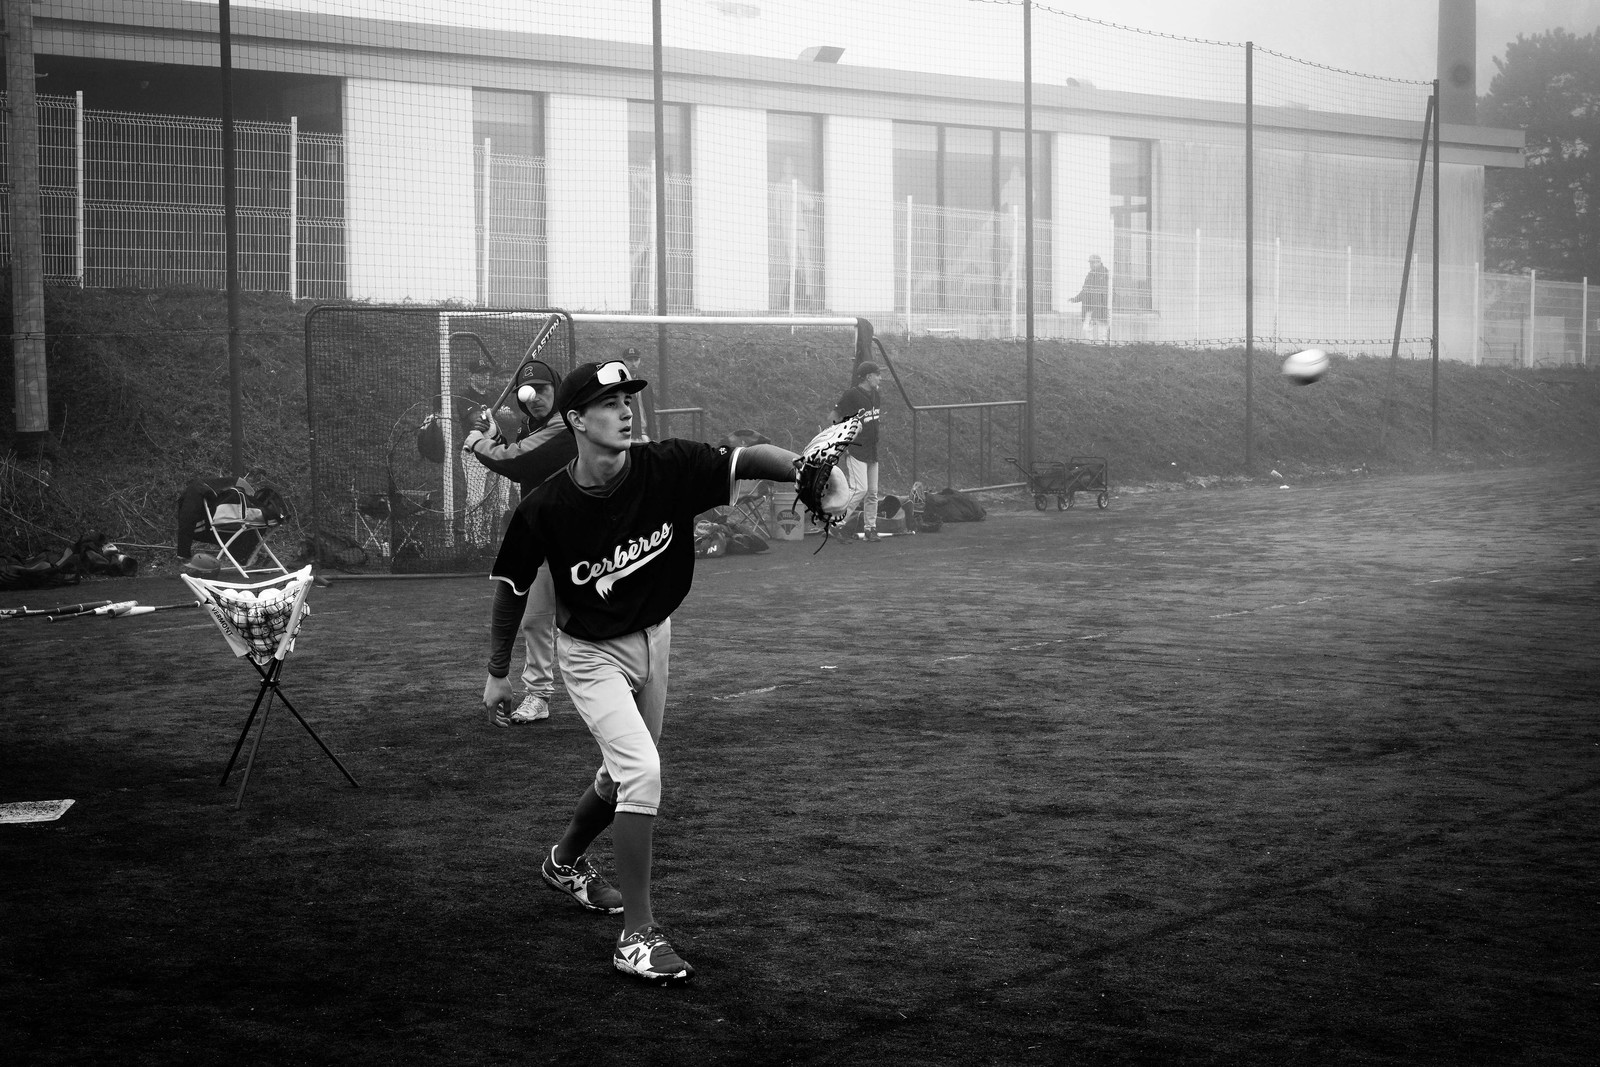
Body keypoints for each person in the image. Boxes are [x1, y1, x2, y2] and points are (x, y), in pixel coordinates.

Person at [480, 358, 847, 984]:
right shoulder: (547, 506)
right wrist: (497, 670)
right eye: (609, 402)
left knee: (619, 772)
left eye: (629, 399)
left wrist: (815, 471)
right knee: (643, 772)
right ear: (575, 420)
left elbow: (747, 457)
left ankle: (564, 861)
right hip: (591, 653)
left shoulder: (666, 467)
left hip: (657, 638)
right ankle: (636, 938)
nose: (626, 411)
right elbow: (513, 586)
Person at [461, 359, 576, 725]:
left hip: (582, 540)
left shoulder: (567, 425)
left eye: (544, 389)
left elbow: (521, 463)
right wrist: (494, 437)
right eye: (529, 393)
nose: (536, 398)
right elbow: (521, 453)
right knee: (535, 620)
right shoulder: (534, 425)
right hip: (541, 534)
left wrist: (480, 444)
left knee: (587, 623)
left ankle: (622, 689)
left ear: (557, 389)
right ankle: (539, 695)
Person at [832, 360, 884, 542]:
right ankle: (836, 524)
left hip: (871, 449)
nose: (880, 377)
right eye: (877, 374)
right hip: (855, 449)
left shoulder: (876, 395)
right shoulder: (852, 395)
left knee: (873, 492)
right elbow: (835, 417)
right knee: (859, 490)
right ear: (868, 376)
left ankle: (870, 528)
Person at [1070, 254, 1110, 342]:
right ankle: (1091, 346)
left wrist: (1106, 305)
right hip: (1089, 306)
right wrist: (1075, 299)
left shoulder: (1106, 275)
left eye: (1093, 262)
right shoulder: (1090, 275)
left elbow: (1110, 292)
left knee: (1102, 331)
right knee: (1086, 328)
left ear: (1099, 262)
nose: (1091, 265)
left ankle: (1102, 348)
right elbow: (1084, 290)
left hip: (1101, 307)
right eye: (1090, 263)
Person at [621, 347, 655, 442]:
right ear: (623, 361)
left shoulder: (645, 385)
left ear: (639, 361)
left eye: (636, 360)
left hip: (646, 435)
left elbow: (651, 412)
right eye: (629, 360)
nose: (633, 363)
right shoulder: (620, 386)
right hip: (628, 436)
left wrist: (653, 434)